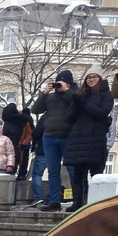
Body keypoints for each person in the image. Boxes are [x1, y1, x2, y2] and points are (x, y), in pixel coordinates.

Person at [64, 66, 114, 213]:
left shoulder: (106, 94)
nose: (91, 79)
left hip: (95, 138)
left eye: (95, 77)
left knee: (96, 173)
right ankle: (77, 201)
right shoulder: (81, 94)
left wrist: (84, 104)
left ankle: (94, 201)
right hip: (78, 138)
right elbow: (68, 118)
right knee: (78, 173)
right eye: (89, 77)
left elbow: (102, 113)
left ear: (100, 79)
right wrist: (76, 104)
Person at [31, 69, 78, 211]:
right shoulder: (50, 98)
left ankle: (77, 199)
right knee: (53, 171)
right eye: (58, 82)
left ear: (69, 83)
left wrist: (66, 91)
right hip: (49, 137)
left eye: (62, 82)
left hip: (68, 136)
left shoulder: (75, 94)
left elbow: (79, 104)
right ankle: (54, 200)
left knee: (73, 170)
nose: (59, 85)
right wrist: (44, 93)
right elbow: (35, 109)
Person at [1, 104, 31, 173]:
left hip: (4, 151)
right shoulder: (21, 121)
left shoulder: (3, 124)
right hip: (16, 148)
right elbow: (29, 133)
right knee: (13, 169)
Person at [29, 114, 47, 206]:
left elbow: (36, 133)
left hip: (43, 149)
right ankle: (53, 197)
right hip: (61, 150)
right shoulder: (65, 112)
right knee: (55, 174)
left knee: (37, 174)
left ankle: (38, 197)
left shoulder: (45, 117)